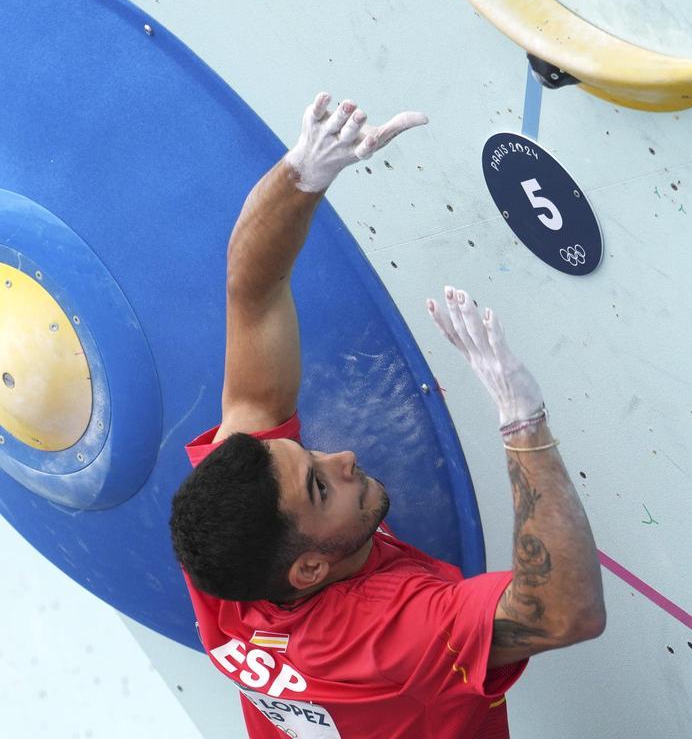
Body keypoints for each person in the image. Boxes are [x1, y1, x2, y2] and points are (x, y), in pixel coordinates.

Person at [168, 93, 605, 739]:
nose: (340, 458)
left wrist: (302, 174)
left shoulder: (225, 550)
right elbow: (563, 612)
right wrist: (523, 423)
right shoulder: (386, 639)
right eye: (320, 486)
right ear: (309, 571)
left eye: (309, 456)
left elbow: (251, 291)